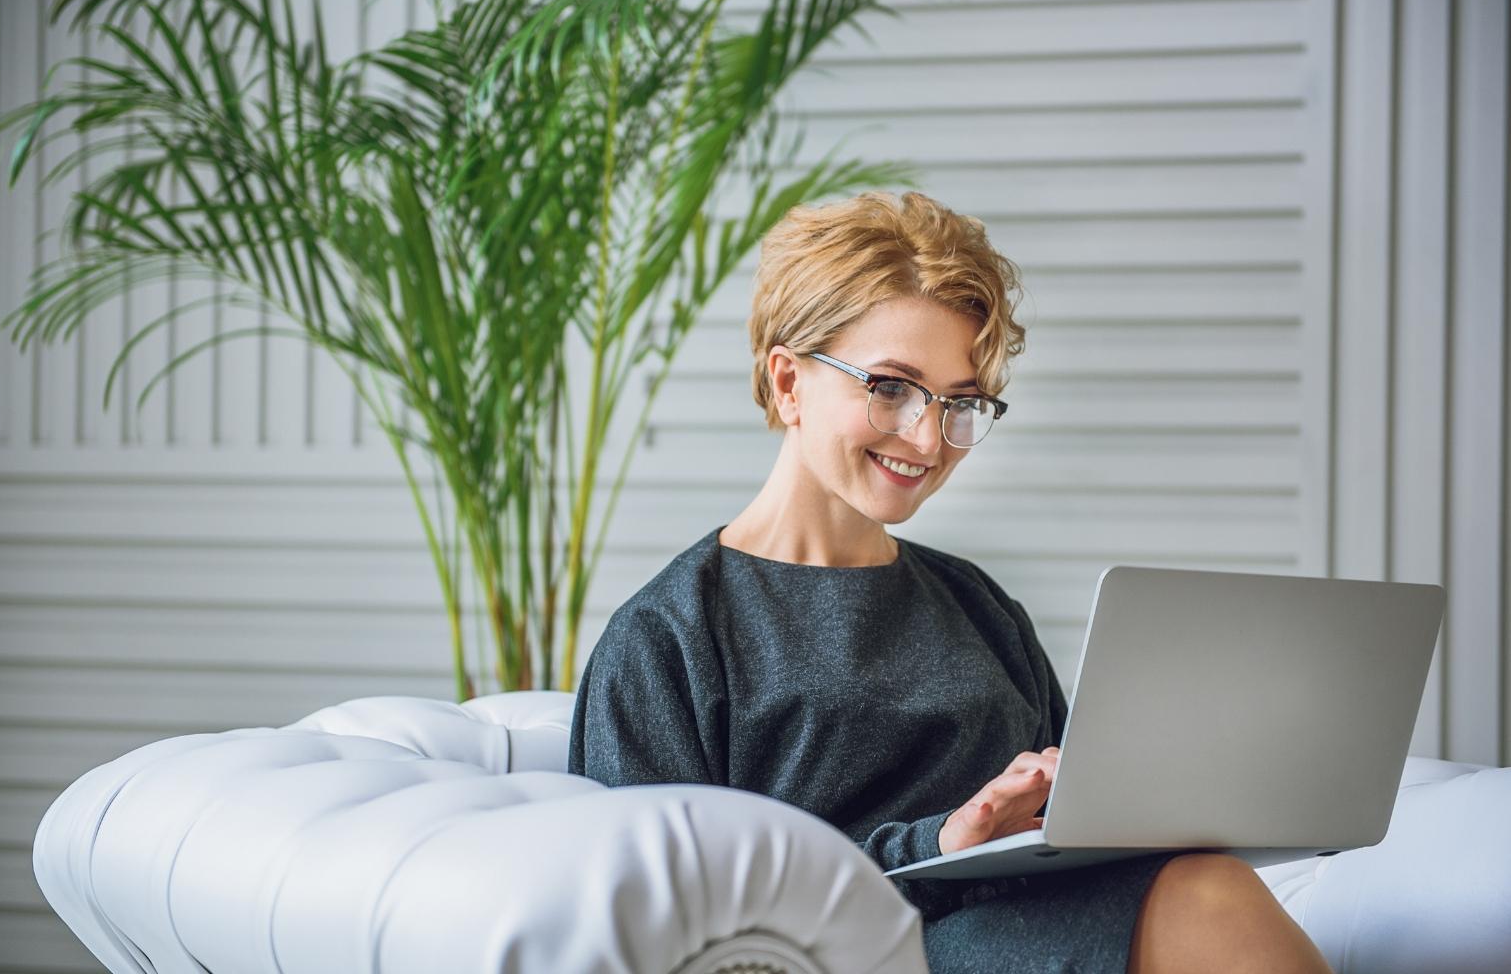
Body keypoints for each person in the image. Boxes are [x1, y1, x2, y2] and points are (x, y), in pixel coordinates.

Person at [568, 191, 1333, 973]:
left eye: (960, 402)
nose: (928, 438)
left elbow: (1071, 828)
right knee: (1205, 902)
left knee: (1206, 883)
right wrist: (938, 844)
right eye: (890, 387)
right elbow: (663, 920)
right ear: (789, 383)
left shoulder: (977, 605)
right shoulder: (670, 637)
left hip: (1034, 930)